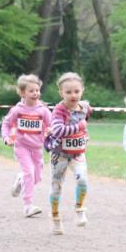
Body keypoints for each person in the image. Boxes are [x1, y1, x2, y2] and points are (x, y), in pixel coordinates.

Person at [0, 75, 52, 218]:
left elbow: (52, 124)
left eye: (37, 90)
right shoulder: (17, 110)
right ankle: (28, 206)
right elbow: (6, 124)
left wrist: (50, 130)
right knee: (29, 173)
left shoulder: (43, 110)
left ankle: (20, 180)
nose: (35, 93)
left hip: (37, 148)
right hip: (21, 146)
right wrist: (6, 137)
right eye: (31, 91)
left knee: (36, 177)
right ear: (22, 93)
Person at [47, 72, 92, 234]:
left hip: (78, 153)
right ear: (61, 93)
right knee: (56, 187)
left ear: (82, 90)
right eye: (68, 92)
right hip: (60, 154)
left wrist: (84, 135)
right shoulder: (59, 111)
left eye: (76, 91)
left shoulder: (85, 107)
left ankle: (80, 210)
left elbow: (86, 120)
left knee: (83, 180)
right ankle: (55, 218)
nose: (73, 95)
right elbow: (58, 130)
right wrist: (79, 127)